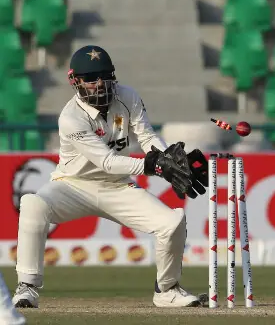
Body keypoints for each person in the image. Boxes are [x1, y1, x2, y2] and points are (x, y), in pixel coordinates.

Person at [12, 45, 209, 309]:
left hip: (117, 187)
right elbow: (106, 161)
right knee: (32, 204)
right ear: (75, 81)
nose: (100, 84)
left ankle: (167, 289)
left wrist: (168, 158)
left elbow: (147, 137)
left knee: (172, 222)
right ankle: (27, 287)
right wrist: (154, 167)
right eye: (91, 79)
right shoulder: (71, 117)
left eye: (105, 76)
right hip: (72, 186)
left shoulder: (128, 96)